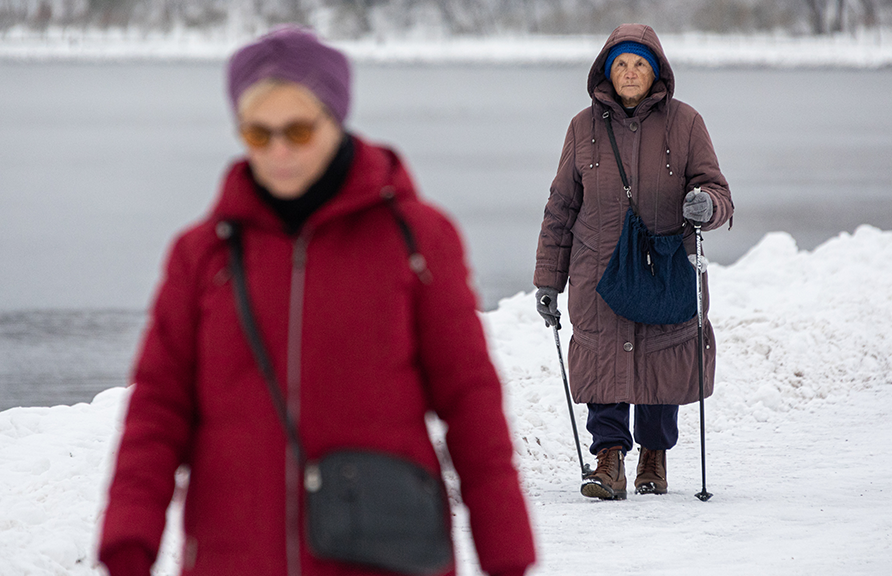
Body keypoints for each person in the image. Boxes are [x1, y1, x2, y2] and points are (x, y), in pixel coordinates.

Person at [98, 26, 535, 576]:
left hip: (383, 556)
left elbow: (469, 398)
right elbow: (158, 409)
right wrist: (127, 541)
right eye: (259, 134)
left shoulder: (417, 240)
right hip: (234, 556)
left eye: (299, 130)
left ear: (336, 118)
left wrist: (507, 551)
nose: (279, 152)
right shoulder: (203, 255)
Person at [534, 24, 733, 501]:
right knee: (604, 357)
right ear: (606, 69)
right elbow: (561, 206)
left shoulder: (686, 123)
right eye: (620, 63)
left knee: (661, 357)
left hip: (661, 266)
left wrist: (706, 203)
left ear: (656, 71)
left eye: (639, 64)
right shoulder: (582, 127)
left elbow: (718, 189)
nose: (629, 73)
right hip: (597, 269)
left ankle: (654, 455)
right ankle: (607, 460)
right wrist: (547, 281)